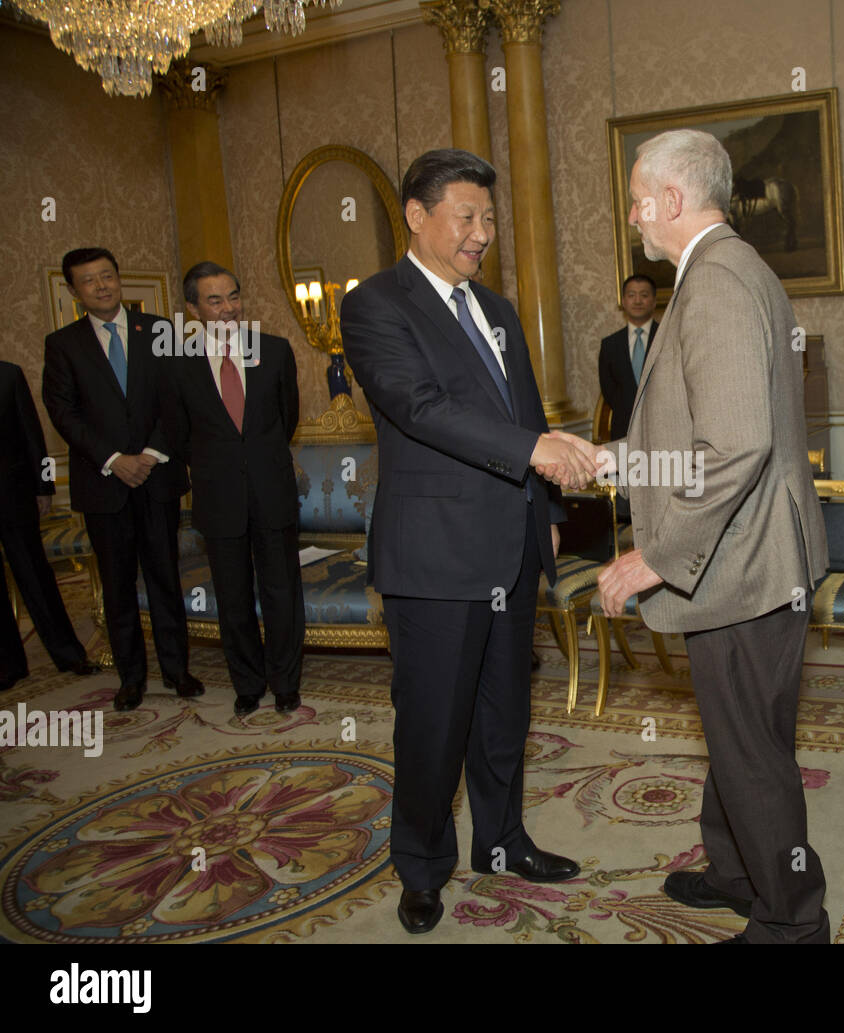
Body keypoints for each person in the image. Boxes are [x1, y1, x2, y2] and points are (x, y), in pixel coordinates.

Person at [340, 148, 593, 936]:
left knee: (502, 716)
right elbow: (417, 407)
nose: (483, 233)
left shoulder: (499, 308)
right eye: (467, 217)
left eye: (489, 218)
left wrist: (545, 506)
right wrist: (534, 451)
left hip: (511, 545)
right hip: (436, 555)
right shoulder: (376, 304)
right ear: (417, 216)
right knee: (432, 725)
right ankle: (420, 866)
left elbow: (520, 409)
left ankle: (504, 842)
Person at [596, 129, 831, 944]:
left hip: (743, 566)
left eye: (635, 199)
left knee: (753, 752)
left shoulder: (718, 281)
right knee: (739, 736)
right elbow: (698, 427)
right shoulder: (725, 268)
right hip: (753, 556)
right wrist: (603, 459)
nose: (631, 216)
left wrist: (654, 556)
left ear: (669, 200)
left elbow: (734, 447)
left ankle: (791, 919)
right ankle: (737, 872)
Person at [42, 248, 202, 712]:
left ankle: (177, 670)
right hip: (103, 483)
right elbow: (63, 413)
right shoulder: (63, 344)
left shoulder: (158, 330)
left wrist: (148, 455)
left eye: (107, 276)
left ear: (119, 279)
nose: (102, 286)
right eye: (89, 281)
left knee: (165, 577)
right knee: (116, 585)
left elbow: (176, 398)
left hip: (157, 477)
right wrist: (115, 459)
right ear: (75, 292)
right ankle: (131, 677)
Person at [161, 262, 305, 718]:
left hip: (272, 492)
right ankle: (248, 683)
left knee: (282, 593)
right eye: (215, 300)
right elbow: (179, 434)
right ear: (193, 308)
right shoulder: (177, 366)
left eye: (233, 296)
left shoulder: (276, 351)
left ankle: (285, 682)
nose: (228, 308)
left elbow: (288, 419)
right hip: (218, 497)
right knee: (233, 596)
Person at [0, 360, 99, 690]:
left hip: (13, 496)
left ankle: (69, 654)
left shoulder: (8, 375)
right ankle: (9, 664)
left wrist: (44, 488)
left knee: (35, 575)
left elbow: (33, 436)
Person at [598, 274, 658, 441]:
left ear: (653, 301)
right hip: (623, 429)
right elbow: (608, 389)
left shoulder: (668, 338)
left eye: (644, 295)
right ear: (623, 301)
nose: (638, 301)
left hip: (663, 425)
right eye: (631, 295)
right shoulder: (609, 344)